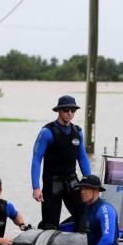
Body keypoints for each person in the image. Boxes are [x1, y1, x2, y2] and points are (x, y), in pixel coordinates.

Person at [31, 95, 92, 232]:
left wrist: (91, 183)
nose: (69, 113)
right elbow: (36, 159)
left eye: (73, 110)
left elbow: (82, 158)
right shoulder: (47, 132)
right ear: (59, 110)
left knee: (85, 218)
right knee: (50, 226)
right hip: (52, 185)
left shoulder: (78, 132)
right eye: (66, 110)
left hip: (72, 182)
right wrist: (36, 187)